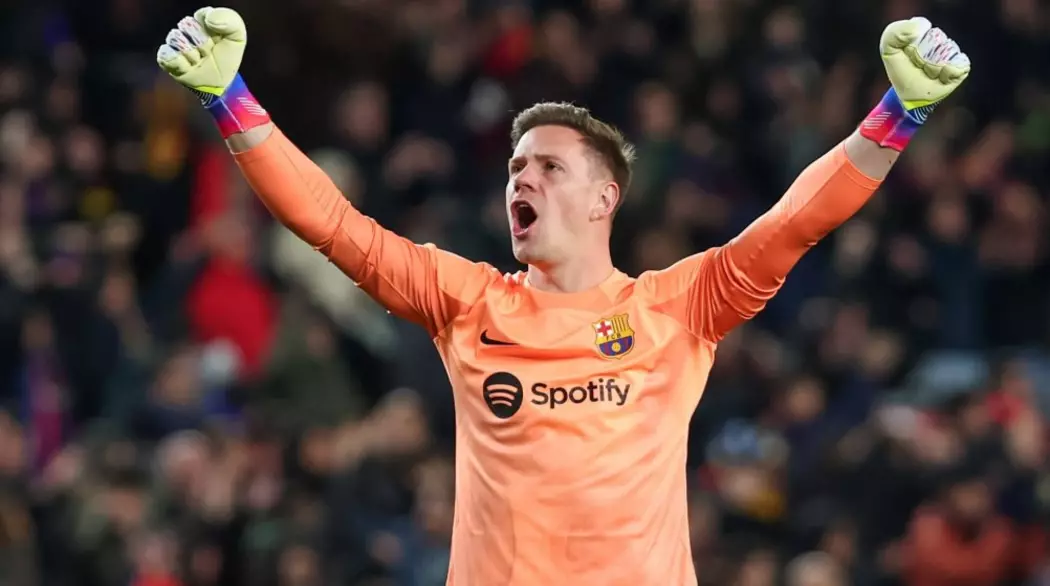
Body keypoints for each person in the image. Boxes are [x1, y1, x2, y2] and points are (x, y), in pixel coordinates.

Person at [156, 9, 970, 585]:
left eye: (549, 166)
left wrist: (898, 113)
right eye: (515, 167)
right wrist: (230, 101)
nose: (523, 178)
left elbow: (793, 224)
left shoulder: (676, 308)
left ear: (604, 198)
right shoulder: (468, 304)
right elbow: (336, 227)